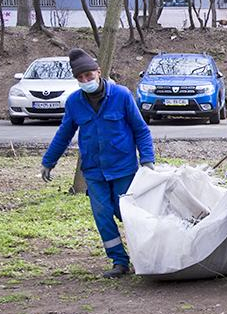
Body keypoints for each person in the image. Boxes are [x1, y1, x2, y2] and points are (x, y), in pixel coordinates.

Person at [40, 48, 155, 278]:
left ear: (99, 72)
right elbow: (64, 133)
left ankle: (146, 256)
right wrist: (48, 161)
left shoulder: (121, 96)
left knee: (128, 214)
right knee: (102, 216)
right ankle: (119, 262)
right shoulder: (74, 102)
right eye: (80, 78)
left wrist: (148, 161)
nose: (85, 81)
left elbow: (141, 130)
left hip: (123, 169)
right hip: (93, 171)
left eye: (89, 76)